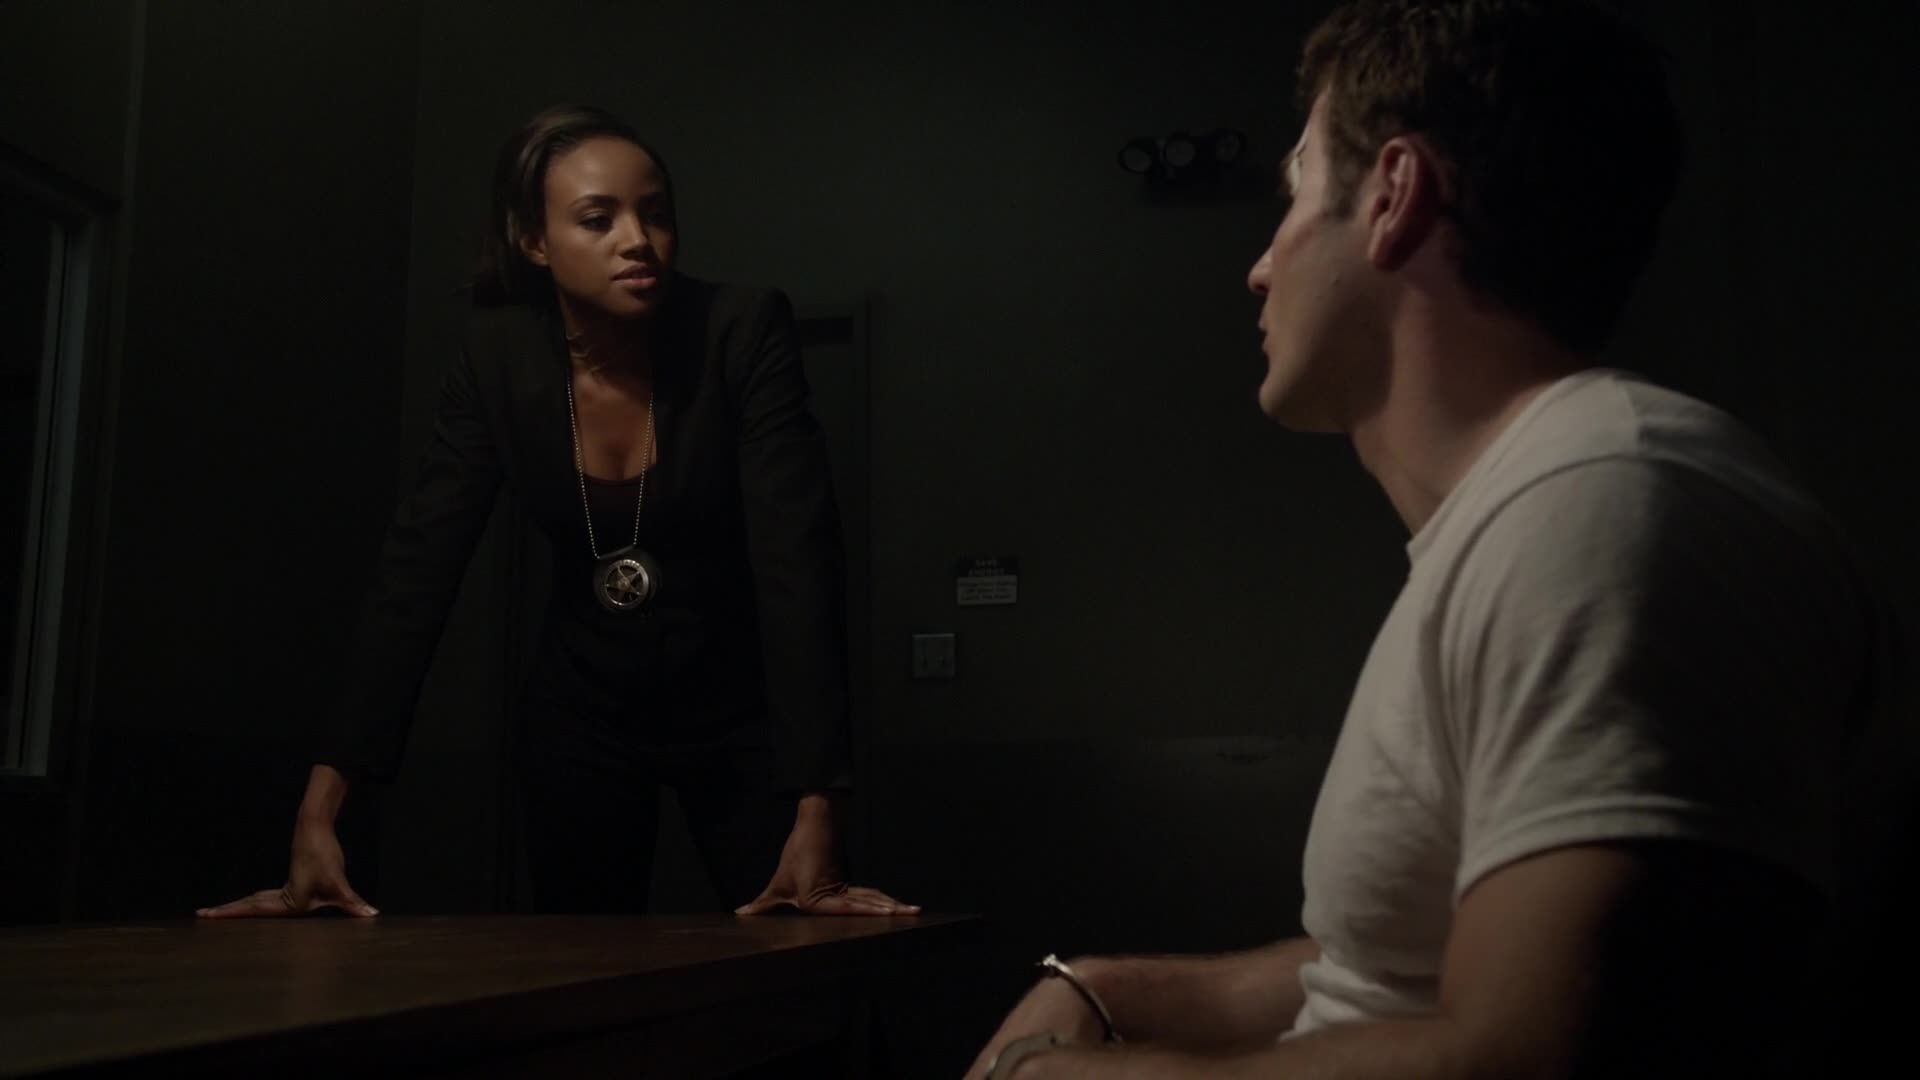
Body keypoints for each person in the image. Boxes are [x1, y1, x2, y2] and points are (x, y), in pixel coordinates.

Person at [969, 1, 1880, 1076]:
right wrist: (1100, 990)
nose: (1260, 267)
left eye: (1295, 194)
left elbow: (1526, 1054)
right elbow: (1387, 969)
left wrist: (1061, 1076)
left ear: (1393, 195)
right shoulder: (1533, 508)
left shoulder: (1605, 504)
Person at [200, 104, 916, 920]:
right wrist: (320, 809)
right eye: (597, 218)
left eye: (654, 214)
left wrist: (818, 803)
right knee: (584, 957)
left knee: (805, 946)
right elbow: (417, 572)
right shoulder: (497, 359)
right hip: (581, 711)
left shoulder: (739, 330)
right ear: (534, 241)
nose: (636, 240)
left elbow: (800, 563)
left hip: (740, 712)